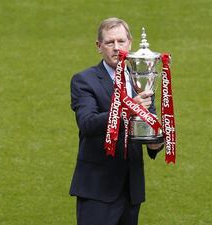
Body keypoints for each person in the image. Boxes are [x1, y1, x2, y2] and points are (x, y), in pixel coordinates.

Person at [69, 17, 164, 225]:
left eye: (121, 41)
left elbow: (149, 123)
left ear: (130, 43)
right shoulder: (84, 80)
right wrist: (129, 109)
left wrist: (156, 141)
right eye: (110, 42)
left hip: (131, 189)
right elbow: (87, 123)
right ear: (99, 46)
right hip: (97, 189)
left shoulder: (141, 78)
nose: (116, 47)